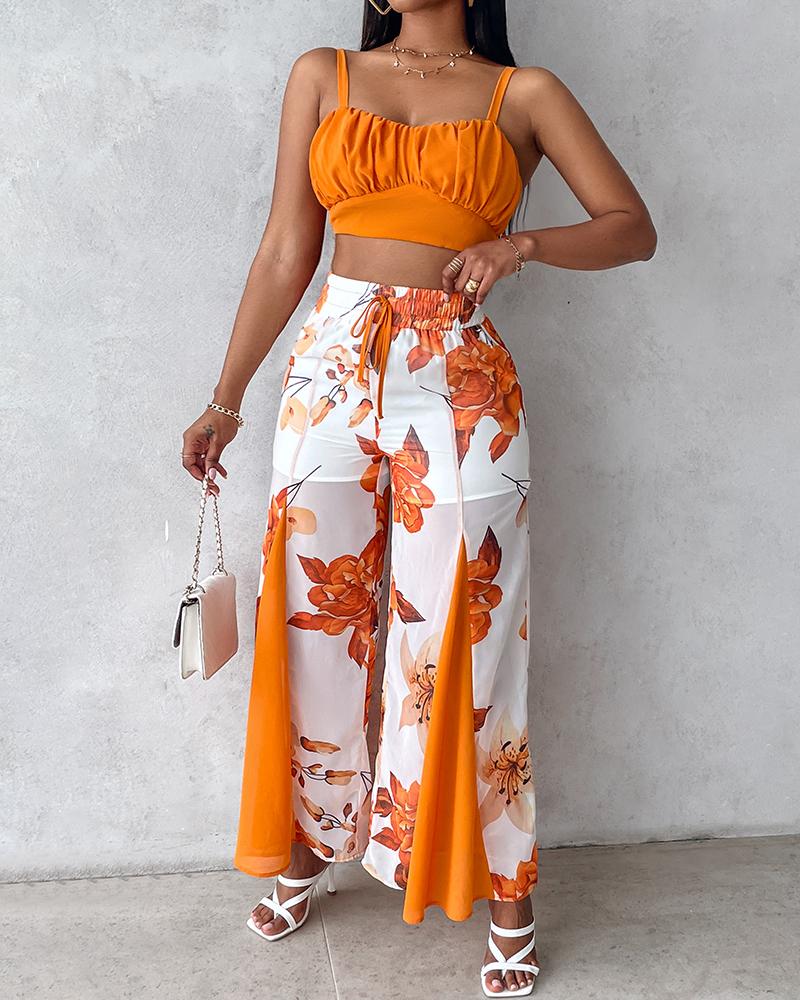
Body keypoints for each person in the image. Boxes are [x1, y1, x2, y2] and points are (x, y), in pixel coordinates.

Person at [181, 1, 656, 994]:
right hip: (329, 365)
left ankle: (508, 891)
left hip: (461, 376)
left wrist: (520, 248)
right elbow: (285, 251)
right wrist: (225, 398)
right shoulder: (323, 73)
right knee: (314, 622)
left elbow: (631, 228)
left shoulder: (522, 93)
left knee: (469, 632)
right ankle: (313, 842)